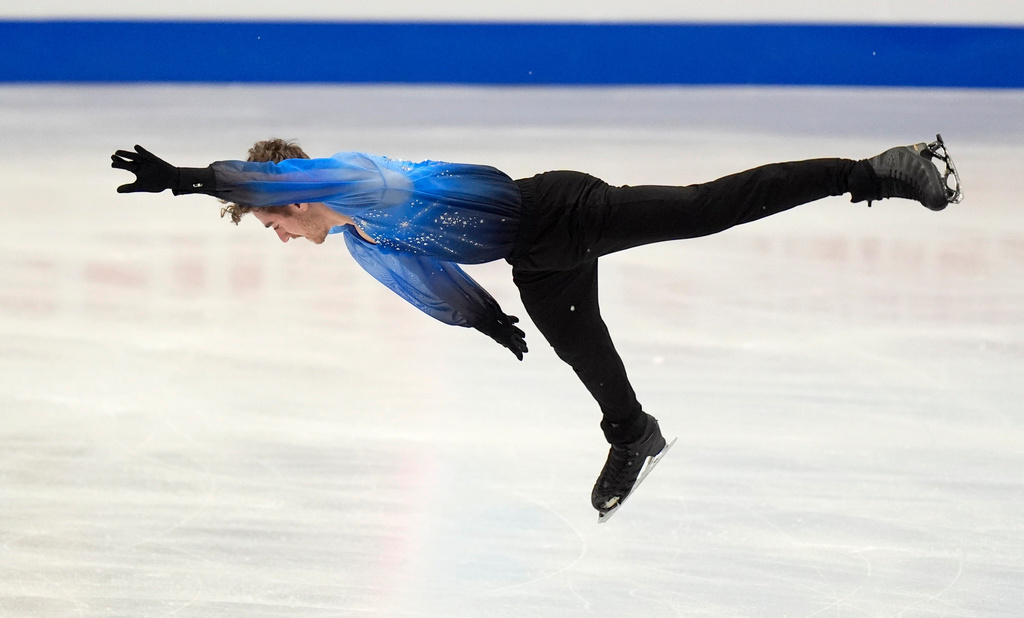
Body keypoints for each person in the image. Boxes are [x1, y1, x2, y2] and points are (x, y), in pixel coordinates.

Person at [111, 135, 961, 516]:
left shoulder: (367, 187)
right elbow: (433, 281)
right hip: (534, 256)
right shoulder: (364, 240)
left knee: (704, 210)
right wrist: (487, 322)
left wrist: (188, 178)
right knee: (578, 342)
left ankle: (879, 171)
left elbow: (299, 182)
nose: (279, 237)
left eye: (272, 222)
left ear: (291, 197)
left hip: (556, 207)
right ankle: (635, 434)